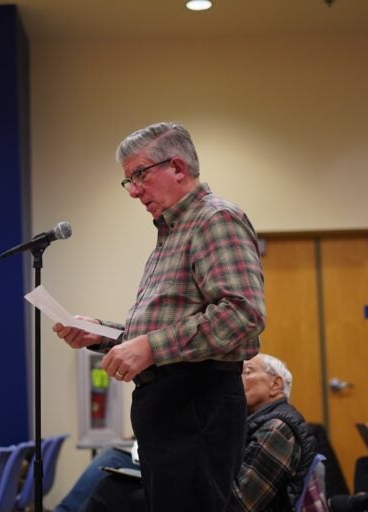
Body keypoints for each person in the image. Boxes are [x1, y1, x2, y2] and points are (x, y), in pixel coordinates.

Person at [53, 122, 266, 511]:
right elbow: (165, 328)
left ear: (178, 168)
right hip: (172, 406)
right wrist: (102, 335)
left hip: (196, 402)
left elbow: (243, 314)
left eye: (139, 175)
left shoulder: (215, 218)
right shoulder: (172, 232)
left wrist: (150, 347)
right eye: (128, 180)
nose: (133, 190)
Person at [82, 353, 320, 512]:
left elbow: (239, 505)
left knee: (113, 491)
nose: (237, 379)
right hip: (209, 500)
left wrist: (180, 479)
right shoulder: (254, 421)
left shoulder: (278, 428)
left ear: (276, 385)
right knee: (116, 476)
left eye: (246, 372)